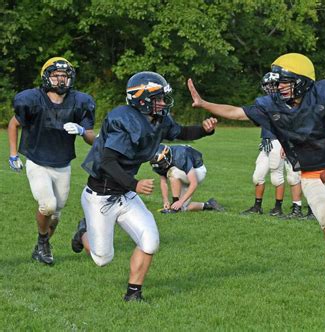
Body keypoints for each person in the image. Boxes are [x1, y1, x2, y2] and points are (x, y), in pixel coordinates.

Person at [188, 53, 325, 309]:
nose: (279, 86)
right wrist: (205, 103)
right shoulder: (272, 104)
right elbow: (236, 113)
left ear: (303, 81)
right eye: (278, 81)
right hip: (310, 173)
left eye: (285, 81)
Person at [70, 71, 217, 302]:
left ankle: (133, 293)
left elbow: (181, 132)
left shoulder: (158, 120)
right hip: (100, 193)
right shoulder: (122, 119)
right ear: (141, 99)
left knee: (150, 240)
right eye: (157, 98)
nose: (162, 102)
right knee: (102, 258)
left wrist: (204, 130)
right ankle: (82, 233)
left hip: (125, 194)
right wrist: (135, 183)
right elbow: (108, 162)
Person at [8, 57, 96, 265]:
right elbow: (14, 124)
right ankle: (42, 243)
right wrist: (13, 154)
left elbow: (92, 138)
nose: (61, 81)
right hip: (37, 161)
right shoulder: (32, 99)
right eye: (56, 76)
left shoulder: (79, 101)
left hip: (62, 164)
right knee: (47, 206)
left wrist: (83, 131)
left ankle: (42, 246)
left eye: (64, 76)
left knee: (55, 215)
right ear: (47, 77)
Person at [241, 127, 307, 219]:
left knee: (276, 176)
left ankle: (278, 208)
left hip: (278, 141)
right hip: (267, 141)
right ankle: (257, 207)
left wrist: (285, 144)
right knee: (257, 176)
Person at [150, 144, 224, 213]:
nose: (162, 166)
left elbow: (193, 183)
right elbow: (163, 181)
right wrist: (165, 200)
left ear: (167, 155)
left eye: (162, 163)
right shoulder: (158, 161)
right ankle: (209, 205)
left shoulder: (180, 155)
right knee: (183, 208)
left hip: (197, 171)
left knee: (173, 172)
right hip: (183, 173)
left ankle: (175, 202)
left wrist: (180, 201)